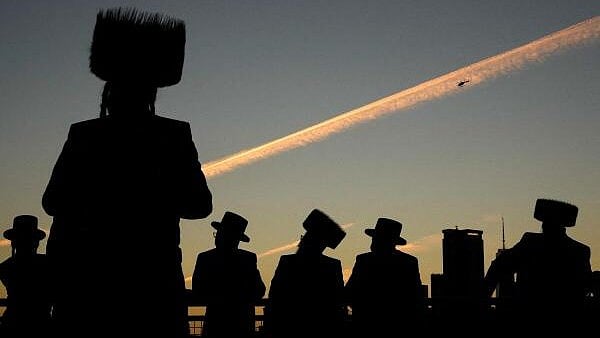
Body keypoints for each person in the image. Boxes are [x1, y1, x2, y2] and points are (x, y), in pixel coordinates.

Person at [42, 8, 213, 337]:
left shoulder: (85, 134)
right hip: (152, 281)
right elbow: (200, 204)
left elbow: (53, 201)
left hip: (92, 283)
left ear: (109, 91)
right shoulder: (173, 134)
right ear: (152, 94)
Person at [483, 198, 591, 332]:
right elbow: (586, 285)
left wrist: (482, 300)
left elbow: (498, 266)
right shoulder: (580, 250)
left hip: (528, 318)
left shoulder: (530, 243)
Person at [266, 209, 347, 338]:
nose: (301, 242)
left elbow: (275, 294)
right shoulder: (332, 265)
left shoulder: (287, 262)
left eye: (304, 238)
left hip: (289, 326)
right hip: (323, 327)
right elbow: (338, 299)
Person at [345, 217, 424, 337]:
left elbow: (349, 293)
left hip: (366, 326)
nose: (373, 241)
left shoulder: (364, 260)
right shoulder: (409, 262)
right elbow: (416, 298)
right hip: (399, 327)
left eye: (376, 238)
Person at [192, 211, 265, 338]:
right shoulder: (248, 259)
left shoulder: (205, 258)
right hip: (243, 325)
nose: (217, 237)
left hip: (215, 324)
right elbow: (259, 290)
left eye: (219, 234)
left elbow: (198, 290)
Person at [0, 215, 52, 337]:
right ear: (36, 242)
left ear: (13, 242)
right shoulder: (47, 264)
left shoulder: (6, 266)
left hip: (13, 324)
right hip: (41, 324)